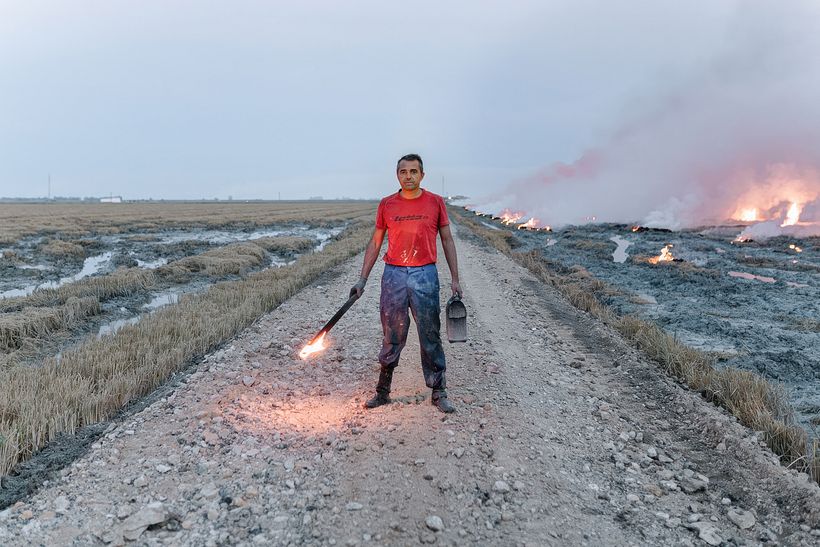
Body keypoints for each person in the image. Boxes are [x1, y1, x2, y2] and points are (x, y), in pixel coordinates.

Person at [351, 153, 462, 413]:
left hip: (425, 274)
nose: (408, 176)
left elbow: (447, 240)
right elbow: (376, 242)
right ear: (397, 175)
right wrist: (362, 279)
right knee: (392, 333)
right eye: (403, 172)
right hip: (394, 275)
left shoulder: (435, 202)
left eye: (413, 171)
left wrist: (455, 279)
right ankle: (382, 391)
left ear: (422, 175)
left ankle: (439, 391)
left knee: (429, 332)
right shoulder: (387, 204)